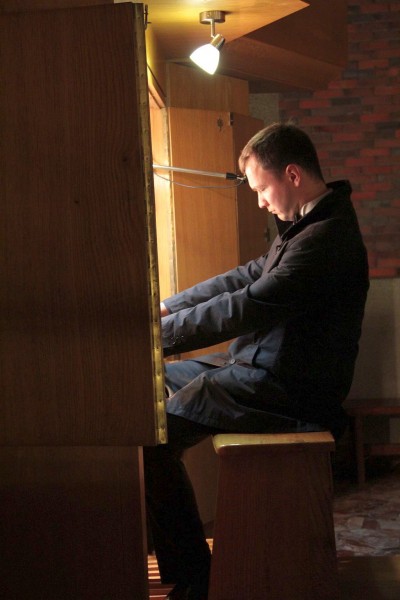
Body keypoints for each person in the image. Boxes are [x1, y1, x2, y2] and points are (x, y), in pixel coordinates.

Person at [144, 122, 369, 600]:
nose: (262, 203)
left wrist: (155, 335)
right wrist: (166, 307)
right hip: (255, 369)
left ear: (292, 175)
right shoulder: (309, 222)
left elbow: (248, 304)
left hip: (289, 391)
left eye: (262, 190)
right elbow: (245, 277)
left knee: (152, 436)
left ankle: (197, 580)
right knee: (150, 387)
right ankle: (191, 572)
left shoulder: (327, 238)